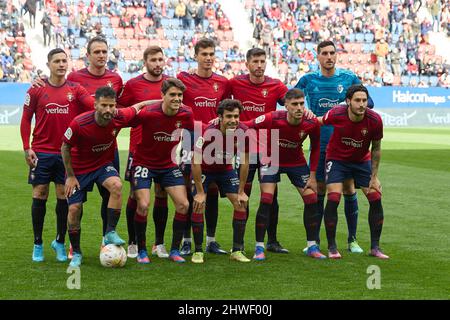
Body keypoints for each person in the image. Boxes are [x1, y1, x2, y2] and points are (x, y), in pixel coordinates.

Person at [32, 37, 124, 259]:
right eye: (97, 52)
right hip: (79, 151)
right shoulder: (74, 78)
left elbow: (123, 109)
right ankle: (72, 245)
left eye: (105, 51)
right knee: (74, 202)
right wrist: (40, 81)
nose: (101, 55)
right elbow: (60, 87)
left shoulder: (117, 79)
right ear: (88, 55)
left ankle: (106, 238)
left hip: (106, 149)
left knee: (110, 192)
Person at [20, 48, 94, 262]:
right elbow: (26, 119)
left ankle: (60, 242)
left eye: (64, 61)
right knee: (40, 194)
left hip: (66, 153)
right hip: (41, 151)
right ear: (48, 64)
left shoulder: (76, 88)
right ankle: (37, 244)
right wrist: (27, 147)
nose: (61, 64)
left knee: (64, 197)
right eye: (57, 61)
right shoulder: (36, 89)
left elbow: (92, 105)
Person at [295, 40, 367, 254]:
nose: (329, 57)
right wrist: (305, 111)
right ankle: (314, 241)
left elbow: (367, 102)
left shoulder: (348, 78)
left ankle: (352, 240)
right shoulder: (308, 79)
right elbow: (289, 100)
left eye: (332, 53)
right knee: (318, 190)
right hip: (319, 144)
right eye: (324, 53)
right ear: (317, 56)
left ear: (337, 56)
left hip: (345, 146)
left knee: (348, 188)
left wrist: (347, 108)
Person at [61, 86, 144, 267]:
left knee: (116, 185)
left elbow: (139, 106)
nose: (108, 110)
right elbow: (65, 147)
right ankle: (76, 252)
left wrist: (164, 102)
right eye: (104, 105)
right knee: (74, 209)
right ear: (95, 105)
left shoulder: (119, 116)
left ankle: (109, 233)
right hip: (79, 169)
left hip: (101, 165)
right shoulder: (79, 123)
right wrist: (70, 176)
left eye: (111, 105)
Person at [241, 88, 325, 260]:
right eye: (294, 104)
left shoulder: (311, 123)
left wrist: (313, 175)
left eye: (302, 104)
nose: (299, 108)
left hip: (296, 161)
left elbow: (316, 148)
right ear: (286, 105)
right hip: (272, 159)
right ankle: (259, 247)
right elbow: (248, 125)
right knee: (266, 199)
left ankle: (312, 245)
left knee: (311, 199)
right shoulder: (273, 117)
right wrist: (222, 124)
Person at [317, 84, 388, 259]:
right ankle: (332, 247)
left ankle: (375, 247)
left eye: (364, 100)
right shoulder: (336, 113)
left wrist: (374, 177)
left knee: (376, 197)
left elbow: (376, 148)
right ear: (348, 101)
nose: (362, 104)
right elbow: (318, 122)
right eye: (357, 100)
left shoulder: (375, 120)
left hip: (361, 161)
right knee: (333, 197)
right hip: (337, 159)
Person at [229, 47, 289, 253]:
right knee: (242, 193)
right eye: (255, 61)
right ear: (247, 64)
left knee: (271, 196)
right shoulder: (235, 83)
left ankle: (272, 241)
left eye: (262, 61)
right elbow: (216, 88)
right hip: (243, 147)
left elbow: (291, 101)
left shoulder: (276, 85)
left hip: (269, 147)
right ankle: (239, 243)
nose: (259, 65)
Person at [129, 78, 193, 264]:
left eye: (180, 95)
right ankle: (141, 251)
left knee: (183, 204)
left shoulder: (186, 113)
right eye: (172, 94)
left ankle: (174, 250)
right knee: (143, 205)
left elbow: (193, 134)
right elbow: (125, 119)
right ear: (162, 96)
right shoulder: (148, 113)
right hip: (143, 163)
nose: (177, 98)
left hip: (168, 165)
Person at [177, 38, 231, 256]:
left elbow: (227, 111)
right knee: (190, 189)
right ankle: (187, 240)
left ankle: (211, 240)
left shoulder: (223, 82)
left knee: (212, 190)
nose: (208, 58)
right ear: (196, 56)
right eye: (204, 54)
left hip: (215, 140)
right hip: (191, 138)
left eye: (211, 54)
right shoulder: (183, 79)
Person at [117, 46, 169, 259]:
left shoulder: (170, 84)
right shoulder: (133, 85)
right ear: (145, 62)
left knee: (162, 192)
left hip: (166, 150)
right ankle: (133, 242)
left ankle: (159, 243)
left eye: (160, 59)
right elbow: (120, 112)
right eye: (153, 60)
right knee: (135, 195)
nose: (158, 63)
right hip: (138, 149)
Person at [191, 99, 250, 263]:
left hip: (225, 170)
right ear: (220, 118)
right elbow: (195, 161)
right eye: (229, 116)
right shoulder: (207, 132)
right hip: (204, 169)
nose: (233, 120)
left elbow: (245, 162)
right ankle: (198, 251)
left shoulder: (243, 131)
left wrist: (241, 191)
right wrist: (200, 192)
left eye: (236, 116)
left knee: (240, 203)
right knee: (198, 204)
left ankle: (237, 251)